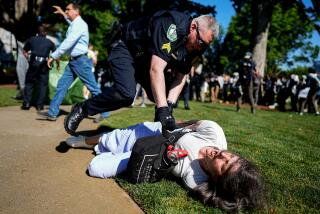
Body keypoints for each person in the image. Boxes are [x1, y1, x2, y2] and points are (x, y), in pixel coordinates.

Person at [64, 11, 219, 135]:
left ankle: (157, 133)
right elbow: (156, 69)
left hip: (145, 59)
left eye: (205, 46)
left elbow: (181, 75)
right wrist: (162, 109)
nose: (201, 48)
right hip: (125, 46)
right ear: (193, 27)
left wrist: (168, 106)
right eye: (201, 42)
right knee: (126, 94)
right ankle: (83, 109)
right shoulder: (171, 25)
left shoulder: (195, 46)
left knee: (163, 100)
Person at [65, 120, 265, 212]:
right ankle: (85, 140)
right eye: (233, 157)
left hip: (145, 155)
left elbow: (219, 198)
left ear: (216, 179)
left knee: (96, 169)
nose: (223, 154)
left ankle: (105, 150)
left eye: (224, 165)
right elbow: (188, 123)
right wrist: (166, 125)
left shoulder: (197, 180)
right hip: (152, 134)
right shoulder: (215, 133)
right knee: (110, 138)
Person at [37, 3, 108, 121]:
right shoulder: (76, 24)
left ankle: (105, 113)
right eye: (66, 10)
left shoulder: (80, 24)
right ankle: (52, 112)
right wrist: (62, 13)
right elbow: (71, 23)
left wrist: (54, 56)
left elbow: (68, 42)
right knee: (62, 85)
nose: (66, 11)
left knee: (93, 88)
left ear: (76, 11)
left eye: (68, 9)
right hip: (74, 62)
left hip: (81, 61)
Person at [21, 25, 56, 111]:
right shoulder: (50, 42)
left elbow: (24, 51)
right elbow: (56, 54)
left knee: (29, 83)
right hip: (44, 64)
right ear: (46, 33)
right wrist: (52, 62)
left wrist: (29, 59)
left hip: (33, 63)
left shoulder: (31, 39)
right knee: (42, 85)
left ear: (38, 32)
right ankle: (40, 105)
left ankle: (26, 103)